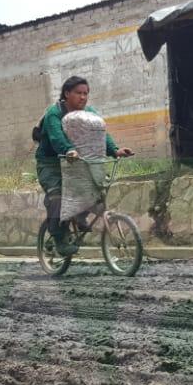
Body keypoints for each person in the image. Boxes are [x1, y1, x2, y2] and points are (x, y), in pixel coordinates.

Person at [32, 76, 132, 255]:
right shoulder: (53, 113)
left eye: (86, 93)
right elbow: (56, 138)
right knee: (57, 197)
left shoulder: (89, 113)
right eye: (78, 93)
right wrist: (68, 150)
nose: (83, 97)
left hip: (77, 162)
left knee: (94, 190)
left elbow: (100, 134)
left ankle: (78, 216)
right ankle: (59, 238)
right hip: (51, 164)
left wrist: (115, 150)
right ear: (67, 93)